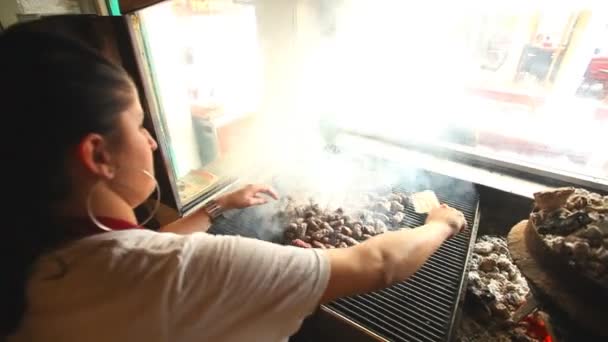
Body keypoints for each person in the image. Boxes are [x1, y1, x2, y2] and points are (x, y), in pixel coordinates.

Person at [0, 23, 467, 342]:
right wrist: (441, 223)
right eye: (140, 125)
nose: (151, 143)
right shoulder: (187, 273)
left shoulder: (39, 261)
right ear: (97, 154)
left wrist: (215, 208)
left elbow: (135, 255)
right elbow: (381, 262)